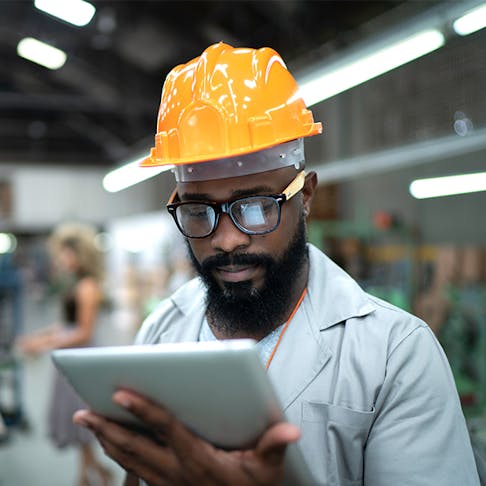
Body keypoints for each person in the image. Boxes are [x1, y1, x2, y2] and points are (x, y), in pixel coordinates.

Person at [73, 43, 480, 485]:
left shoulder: (395, 356)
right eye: (197, 211)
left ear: (304, 197)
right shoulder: (162, 331)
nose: (226, 240)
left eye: (254, 207)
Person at [18, 223, 112, 486]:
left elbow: (83, 332)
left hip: (82, 359)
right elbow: (66, 325)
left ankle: (87, 477)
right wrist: (39, 338)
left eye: (65, 253)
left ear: (79, 253)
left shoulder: (87, 287)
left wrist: (44, 345)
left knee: (82, 417)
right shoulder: (75, 284)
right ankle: (93, 475)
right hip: (72, 357)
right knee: (78, 420)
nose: (61, 259)